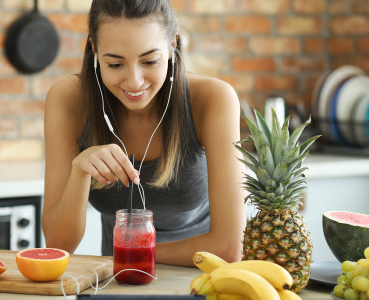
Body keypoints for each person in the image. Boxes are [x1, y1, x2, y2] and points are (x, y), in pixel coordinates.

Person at [42, 0, 246, 267]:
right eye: (115, 64)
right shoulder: (69, 100)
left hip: (203, 279)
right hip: (120, 283)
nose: (135, 81)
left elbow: (229, 248)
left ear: (172, 45)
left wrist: (130, 255)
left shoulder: (212, 99)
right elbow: (58, 245)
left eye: (149, 60)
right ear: (94, 48)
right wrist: (80, 171)